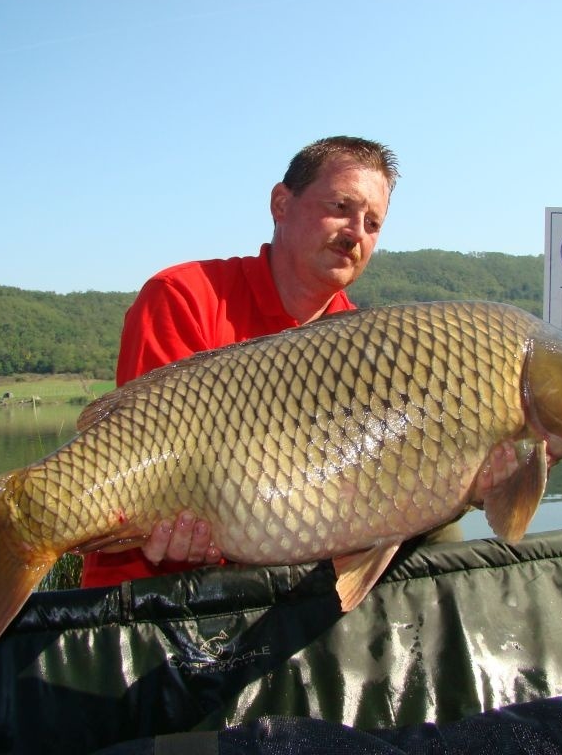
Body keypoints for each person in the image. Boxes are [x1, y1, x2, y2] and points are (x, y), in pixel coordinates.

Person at [81, 136, 400, 588]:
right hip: (145, 611)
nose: (355, 233)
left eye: (372, 222)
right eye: (340, 207)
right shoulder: (185, 296)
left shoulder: (372, 346)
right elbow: (139, 471)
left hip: (285, 613)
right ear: (281, 204)